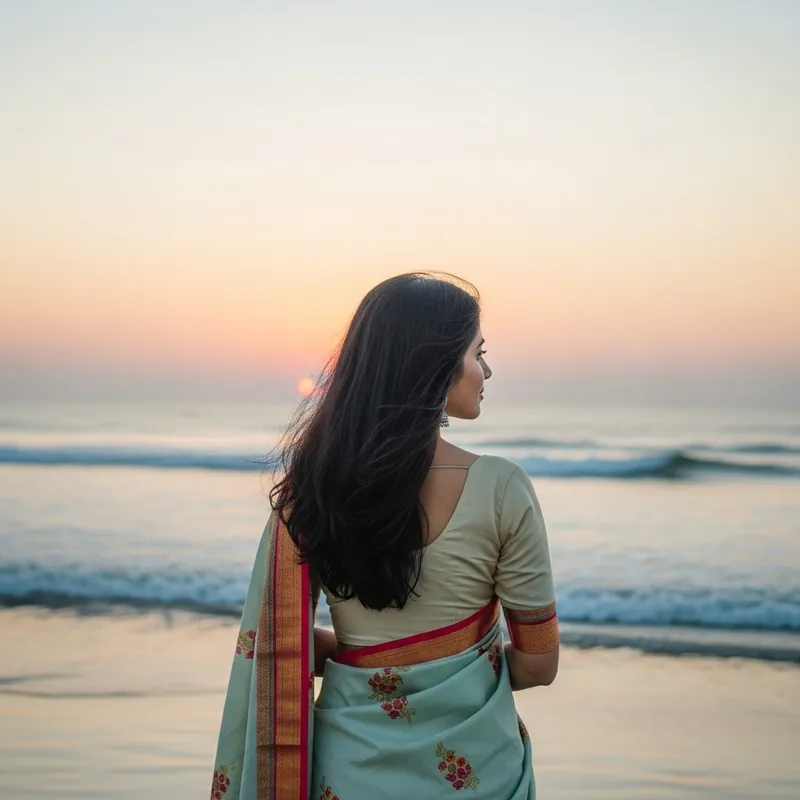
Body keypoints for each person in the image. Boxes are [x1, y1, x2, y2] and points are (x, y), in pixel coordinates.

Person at [211, 273, 559, 800]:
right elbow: (538, 663)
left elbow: (287, 648)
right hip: (479, 776)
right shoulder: (501, 488)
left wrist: (371, 656)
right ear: (439, 365)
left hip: (348, 773)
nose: (485, 371)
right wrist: (457, 668)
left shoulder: (314, 491)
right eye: (477, 354)